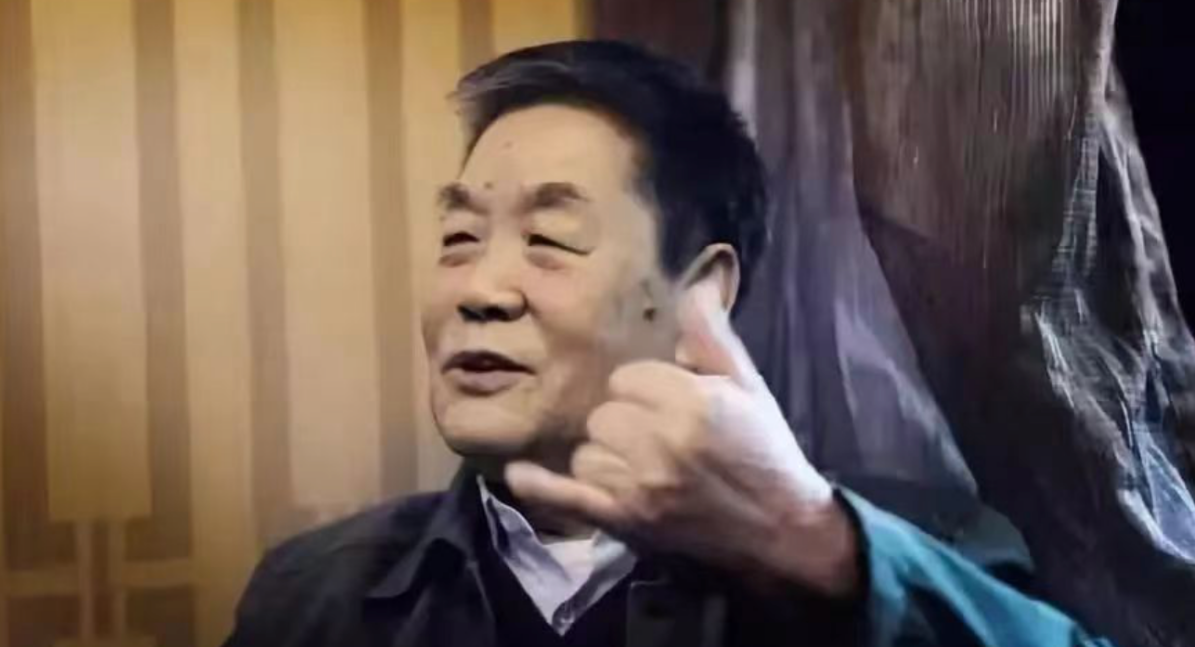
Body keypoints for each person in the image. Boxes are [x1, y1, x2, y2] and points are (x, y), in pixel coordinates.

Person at [223, 40, 1113, 646]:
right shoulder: (314, 596)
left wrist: (814, 542)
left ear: (702, 294)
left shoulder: (914, 543)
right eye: (460, 238)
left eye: (550, 238)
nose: (479, 290)